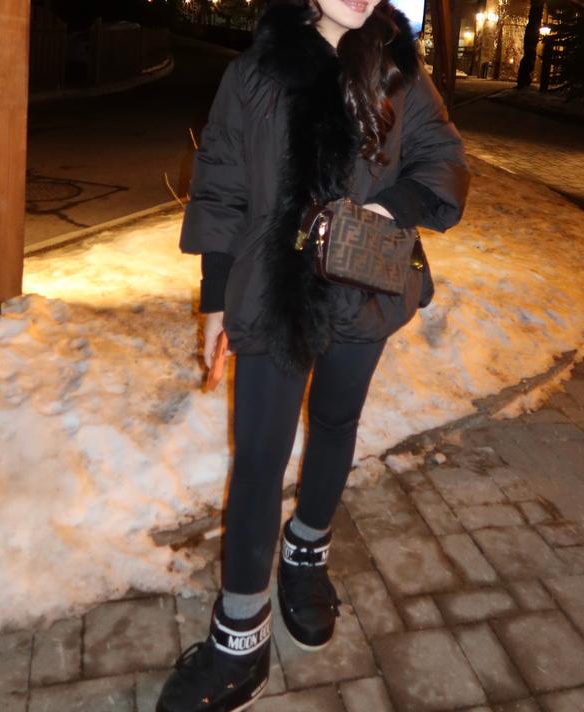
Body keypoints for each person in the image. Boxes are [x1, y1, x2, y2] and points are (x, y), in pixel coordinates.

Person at [156, 0, 470, 710]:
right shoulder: (256, 71)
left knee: (334, 423)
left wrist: (393, 207)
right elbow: (221, 179)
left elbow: (445, 162)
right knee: (258, 457)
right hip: (274, 292)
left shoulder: (398, 67)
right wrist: (214, 295)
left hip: (364, 287)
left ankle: (306, 552)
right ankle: (240, 638)